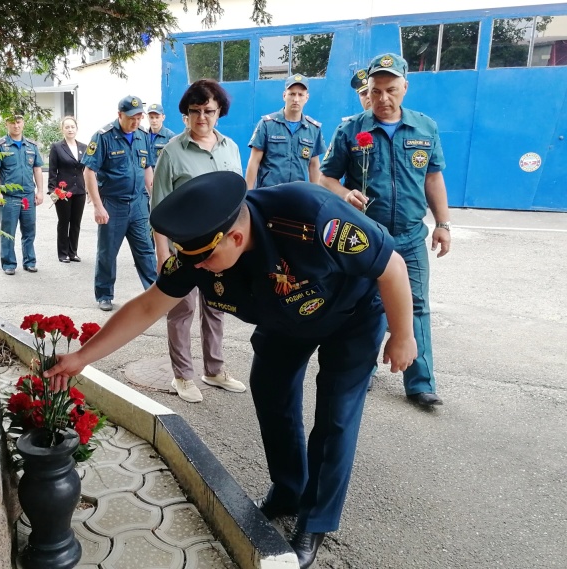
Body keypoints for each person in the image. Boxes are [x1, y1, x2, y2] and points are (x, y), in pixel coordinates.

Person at [44, 170, 417, 569]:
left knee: (336, 416)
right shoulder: (200, 249)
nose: (198, 269)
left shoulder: (314, 217)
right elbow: (150, 305)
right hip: (286, 319)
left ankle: (315, 521)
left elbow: (390, 267)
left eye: (205, 260)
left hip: (352, 314)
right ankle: (289, 489)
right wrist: (82, 357)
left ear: (235, 238)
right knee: (270, 391)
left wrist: (402, 334)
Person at [319, 53, 451, 408]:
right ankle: (364, 371)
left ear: (405, 87)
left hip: (410, 236)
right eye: (376, 91)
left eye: (391, 90)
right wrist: (345, 193)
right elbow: (325, 177)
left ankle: (419, 382)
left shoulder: (425, 127)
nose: (382, 99)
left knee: (417, 305)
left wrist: (442, 223)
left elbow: (434, 177)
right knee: (365, 304)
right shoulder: (350, 129)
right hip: (366, 237)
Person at [151, 79, 246, 403]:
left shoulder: (231, 148)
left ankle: (214, 370)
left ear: (219, 112)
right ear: (185, 114)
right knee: (182, 310)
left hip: (222, 251)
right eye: (195, 111)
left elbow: (239, 202)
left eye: (208, 111)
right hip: (186, 249)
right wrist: (162, 253)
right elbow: (159, 207)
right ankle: (183, 376)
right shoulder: (172, 153)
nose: (202, 118)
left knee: (216, 307)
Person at [81, 95, 158, 312]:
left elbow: (147, 168)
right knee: (107, 253)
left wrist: (154, 198)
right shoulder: (103, 136)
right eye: (132, 117)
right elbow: (89, 171)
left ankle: (154, 293)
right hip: (112, 204)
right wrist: (98, 206)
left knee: (146, 251)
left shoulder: (143, 136)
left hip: (138, 204)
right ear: (120, 115)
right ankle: (104, 294)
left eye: (139, 117)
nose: (136, 122)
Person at [244, 74, 325, 189]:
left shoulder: (313, 129)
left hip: (298, 196)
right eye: (292, 94)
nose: (296, 99)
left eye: (300, 95)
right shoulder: (267, 125)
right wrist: (248, 196)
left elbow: (314, 166)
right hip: (269, 196)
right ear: (284, 96)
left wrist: (316, 196)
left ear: (306, 98)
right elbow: (254, 162)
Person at [0, 112, 44, 275]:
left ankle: (29, 261)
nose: (16, 125)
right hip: (9, 197)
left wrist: (40, 191)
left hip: (28, 195)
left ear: (23, 123)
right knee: (8, 232)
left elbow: (37, 169)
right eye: (12, 122)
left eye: (19, 122)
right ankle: (9, 264)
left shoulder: (31, 146)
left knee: (29, 231)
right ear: (6, 124)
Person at [48, 116, 88, 263]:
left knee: (76, 222)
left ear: (76, 129)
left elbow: (88, 169)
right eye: (67, 127)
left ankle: (73, 252)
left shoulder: (84, 147)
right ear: (62, 129)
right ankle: (63, 253)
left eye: (72, 127)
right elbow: (52, 170)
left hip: (80, 191)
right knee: (64, 222)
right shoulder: (57, 147)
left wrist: (89, 189)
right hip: (63, 192)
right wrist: (52, 190)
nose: (70, 129)